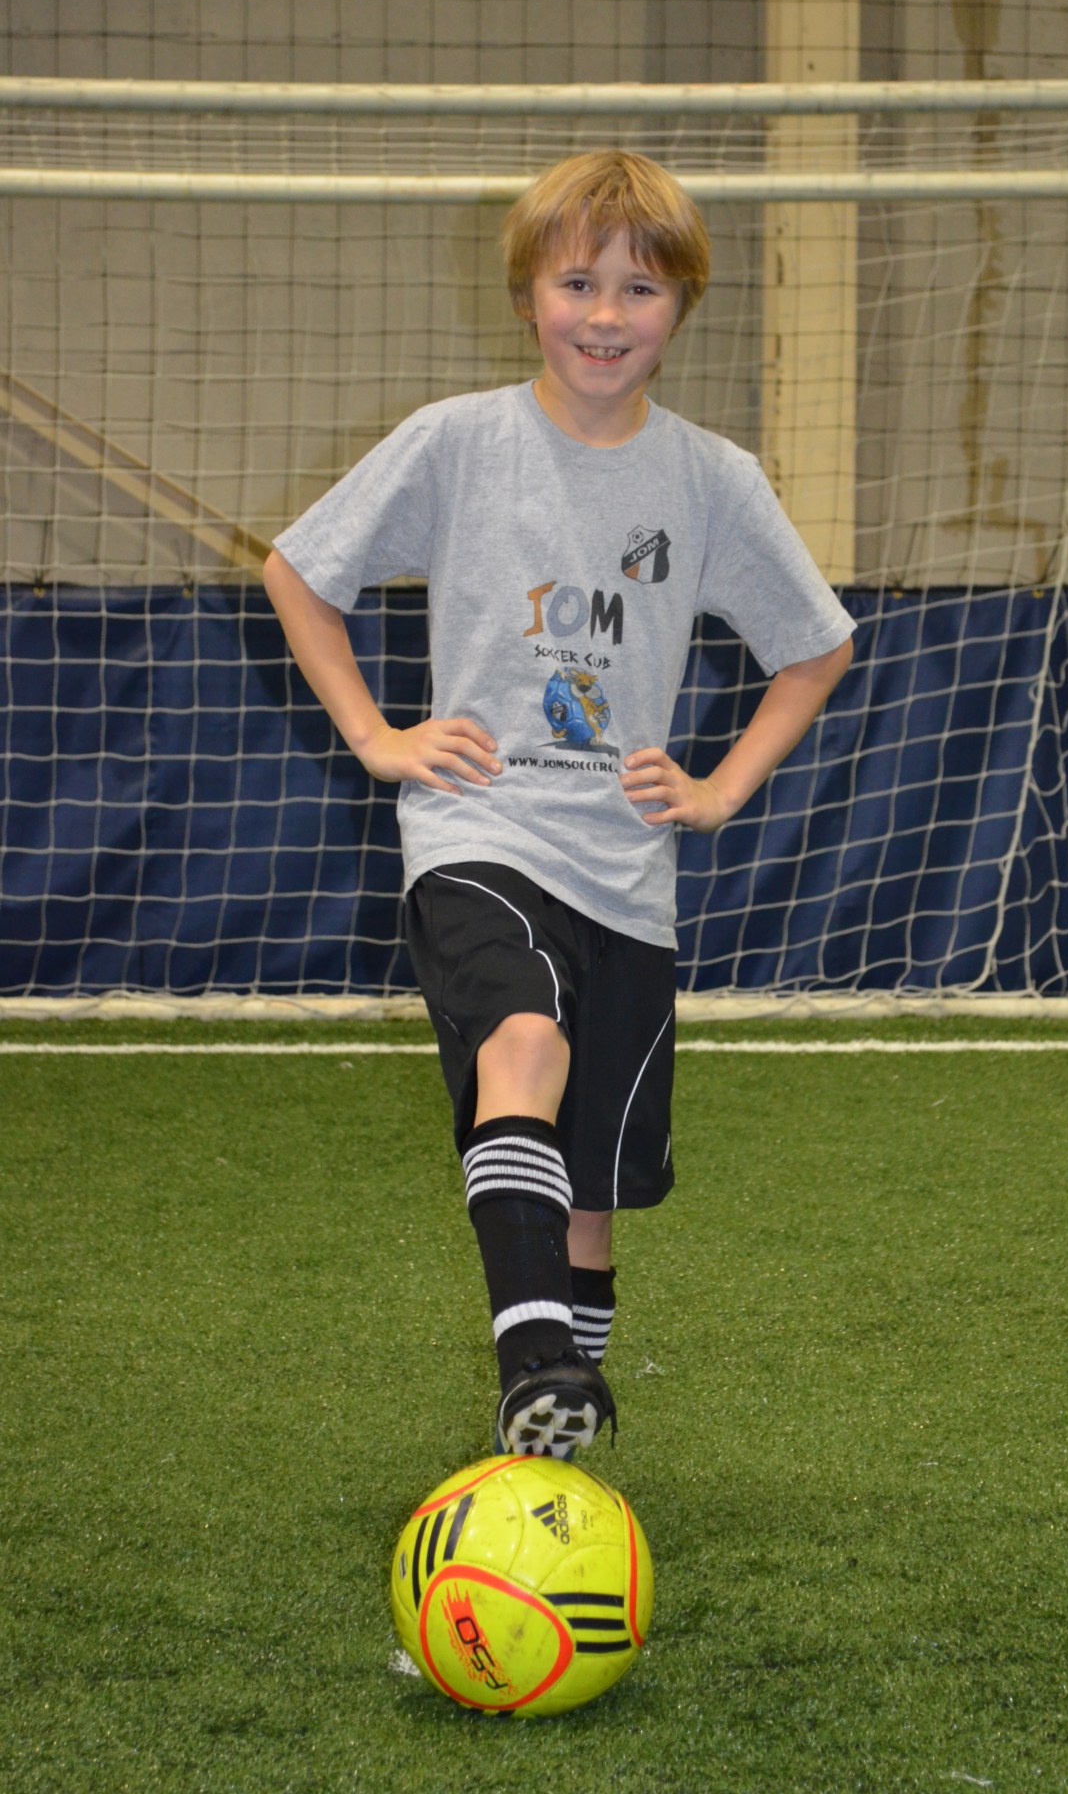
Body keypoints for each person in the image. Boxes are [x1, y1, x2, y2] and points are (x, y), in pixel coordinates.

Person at [264, 149, 855, 1461]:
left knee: (595, 1193)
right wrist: (375, 736)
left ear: (680, 306)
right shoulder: (458, 444)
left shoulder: (712, 480)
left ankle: (556, 1446)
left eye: (639, 289)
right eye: (577, 282)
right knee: (520, 1043)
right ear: (529, 292)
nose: (604, 314)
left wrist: (717, 786)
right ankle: (532, 1360)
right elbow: (300, 573)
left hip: (628, 872)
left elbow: (817, 647)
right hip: (478, 831)